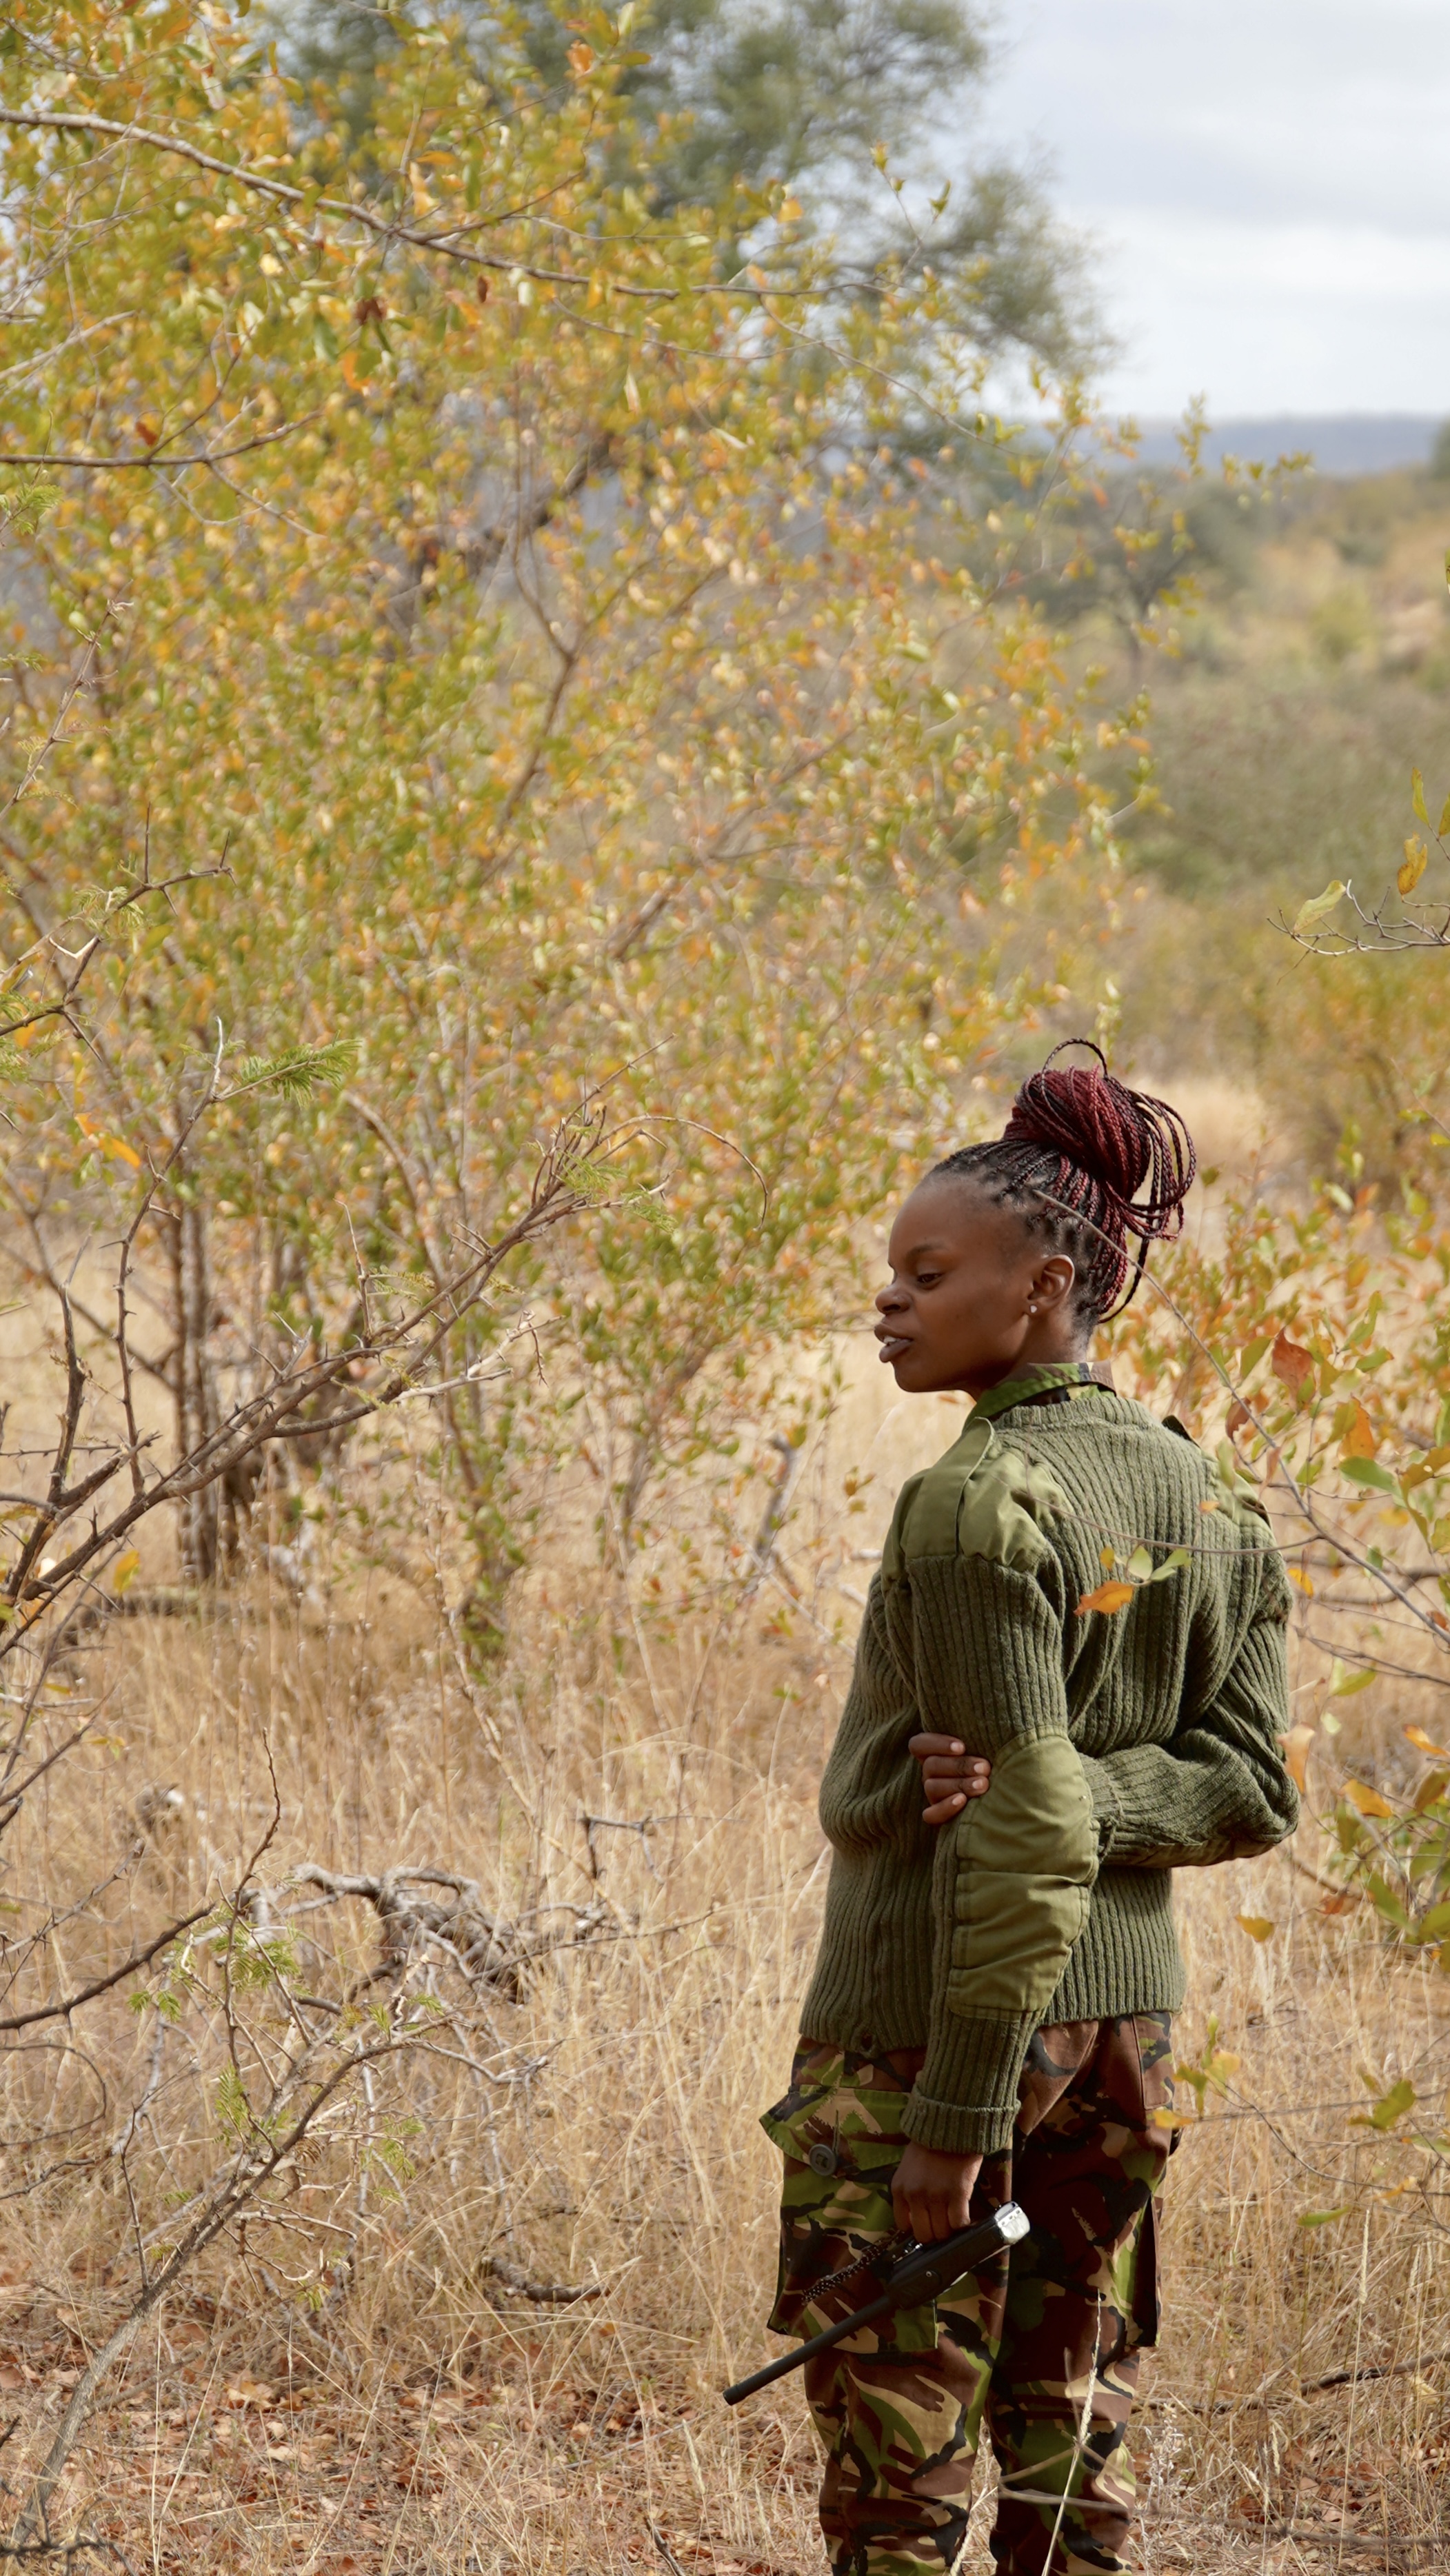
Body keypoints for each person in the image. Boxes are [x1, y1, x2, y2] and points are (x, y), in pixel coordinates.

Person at [761, 1044, 1298, 2576]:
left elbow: (1022, 1826)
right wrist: (1044, 1784)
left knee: (899, 2445)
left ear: (1043, 1285)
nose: (889, 1302)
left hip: (946, 2024)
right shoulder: (1208, 1501)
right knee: (1070, 2419)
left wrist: (953, 2113)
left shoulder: (978, 1502)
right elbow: (1243, 1781)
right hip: (1125, 2039)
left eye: (925, 1274)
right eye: (891, 1275)